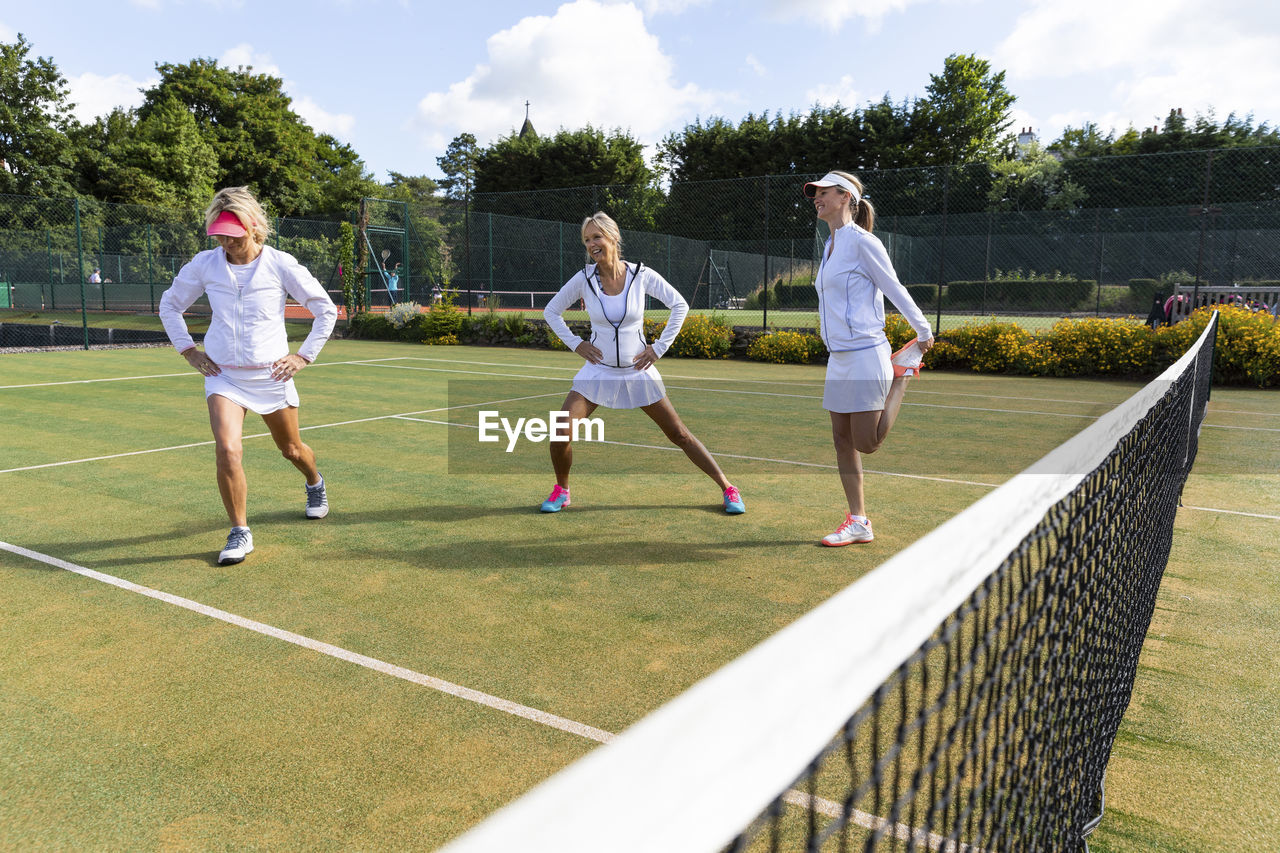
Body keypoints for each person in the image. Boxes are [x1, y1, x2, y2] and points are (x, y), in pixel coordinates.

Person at [159, 186, 339, 566]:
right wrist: (188, 350)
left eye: (233, 234)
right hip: (223, 376)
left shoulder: (280, 264)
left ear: (253, 228)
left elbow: (325, 309)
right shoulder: (205, 264)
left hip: (272, 375)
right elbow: (170, 304)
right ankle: (240, 531)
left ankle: (314, 483)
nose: (226, 241)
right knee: (227, 449)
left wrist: (303, 356)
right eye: (219, 234)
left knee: (292, 450)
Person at [541, 212, 745, 515]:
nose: (591, 244)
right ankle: (562, 491)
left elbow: (680, 305)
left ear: (613, 237)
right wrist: (577, 343)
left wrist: (658, 348)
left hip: (639, 372)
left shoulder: (640, 275)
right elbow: (551, 311)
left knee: (679, 435)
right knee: (560, 432)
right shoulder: (584, 279)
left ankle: (728, 489)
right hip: (598, 371)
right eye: (586, 240)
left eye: (596, 237)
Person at [805, 171, 934, 546]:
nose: (817, 198)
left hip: (866, 353)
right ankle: (858, 521)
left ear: (845, 197)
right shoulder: (829, 246)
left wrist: (923, 331)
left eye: (823, 192)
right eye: (815, 193)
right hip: (838, 358)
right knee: (841, 441)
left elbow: (894, 286)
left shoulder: (864, 243)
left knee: (867, 443)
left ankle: (903, 375)